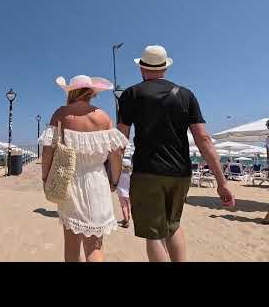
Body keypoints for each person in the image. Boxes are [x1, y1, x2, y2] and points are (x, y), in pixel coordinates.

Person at [117, 45, 235, 262]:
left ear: (142, 68)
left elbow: (120, 139)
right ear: (164, 68)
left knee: (154, 234)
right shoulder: (186, 95)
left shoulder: (130, 94)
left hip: (147, 171)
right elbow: (203, 139)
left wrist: (114, 173)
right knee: (173, 226)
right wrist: (222, 181)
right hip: (180, 172)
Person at [41, 75, 128, 262]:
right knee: (94, 247)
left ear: (71, 91)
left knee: (71, 245)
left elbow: (48, 150)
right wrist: (114, 181)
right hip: (98, 182)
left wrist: (45, 177)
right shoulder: (103, 117)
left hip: (69, 182)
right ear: (92, 93)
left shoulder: (61, 114)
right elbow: (116, 155)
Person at [117, 158, 132, 229]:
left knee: (124, 206)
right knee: (128, 205)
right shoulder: (130, 174)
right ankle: (127, 218)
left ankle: (126, 221)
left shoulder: (120, 173)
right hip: (129, 191)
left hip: (121, 190)